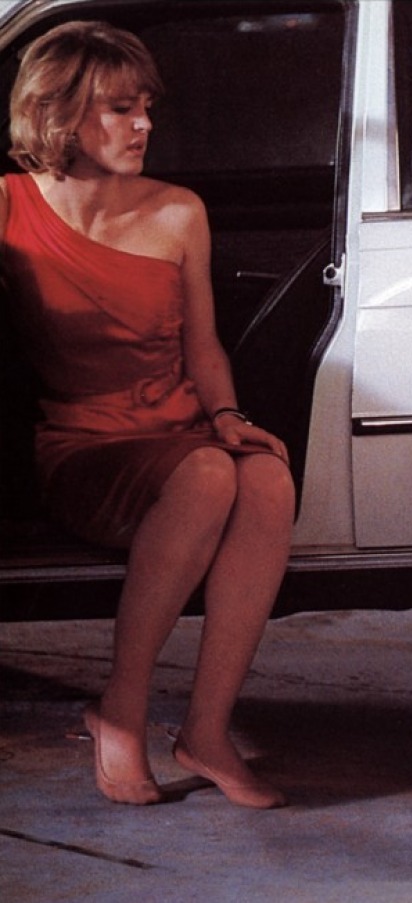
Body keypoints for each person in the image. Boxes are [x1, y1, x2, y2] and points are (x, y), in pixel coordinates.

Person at [0, 22, 293, 809]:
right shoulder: (8, 206)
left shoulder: (179, 211)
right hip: (84, 446)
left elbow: (203, 345)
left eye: (147, 108)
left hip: (184, 430)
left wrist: (226, 413)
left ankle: (206, 729)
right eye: (121, 109)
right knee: (206, 475)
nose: (144, 125)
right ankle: (121, 709)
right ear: (62, 115)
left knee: (265, 475)